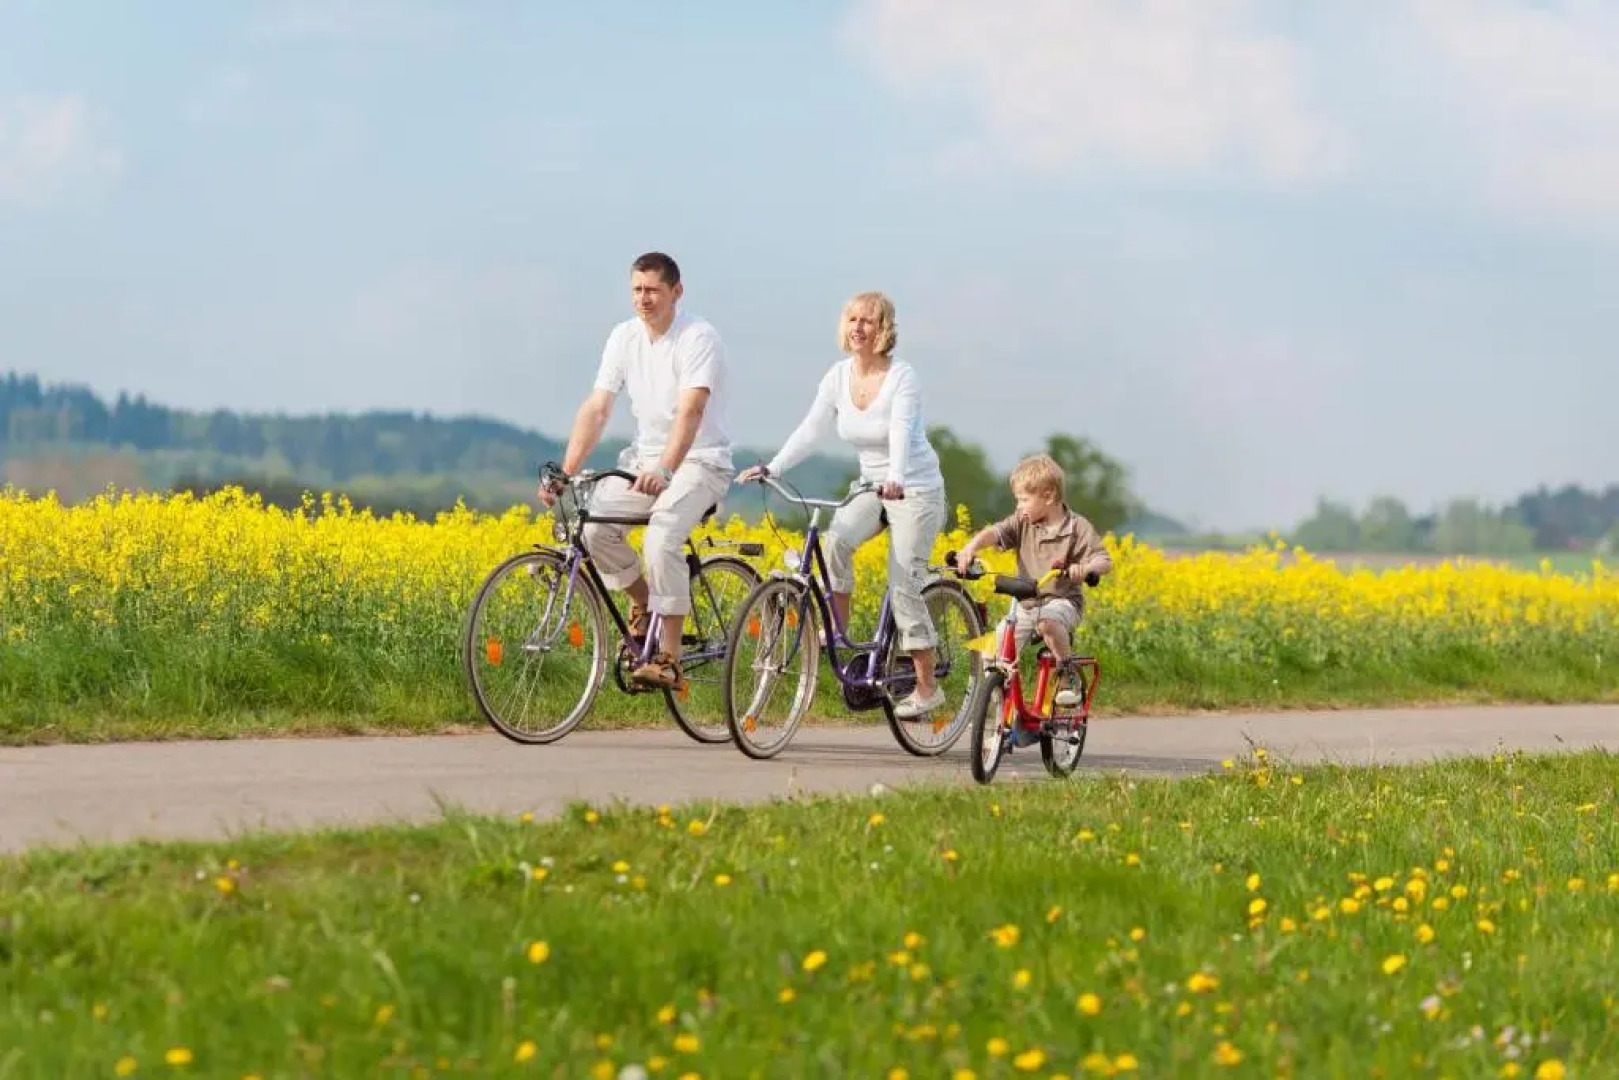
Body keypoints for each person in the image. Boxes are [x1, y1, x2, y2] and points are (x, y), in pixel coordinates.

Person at [736, 290, 949, 720]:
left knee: (903, 583)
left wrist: (896, 477)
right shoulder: (838, 376)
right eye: (852, 319)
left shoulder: (902, 377)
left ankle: (927, 687)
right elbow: (812, 429)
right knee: (834, 542)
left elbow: (900, 432)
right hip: (871, 485)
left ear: (884, 329)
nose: (858, 327)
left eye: (868, 320)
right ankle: (838, 633)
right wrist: (773, 467)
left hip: (914, 488)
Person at [538, 252, 734, 690]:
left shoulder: (697, 337)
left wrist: (666, 468)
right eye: (637, 290)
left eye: (653, 290)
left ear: (676, 292)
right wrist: (566, 472)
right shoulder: (624, 337)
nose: (643, 299)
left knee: (661, 537)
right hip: (644, 460)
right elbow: (598, 408)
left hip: (700, 460)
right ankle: (645, 605)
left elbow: (691, 410)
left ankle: (670, 658)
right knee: (594, 530)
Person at [951, 453, 1112, 706]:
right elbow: (995, 532)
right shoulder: (1022, 523)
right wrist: (970, 548)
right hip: (1025, 605)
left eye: (1024, 500)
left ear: (1048, 496)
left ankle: (1067, 676)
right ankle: (1000, 710)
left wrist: (1086, 568)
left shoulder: (1077, 527)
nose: (1019, 506)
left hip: (1062, 602)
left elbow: (1104, 560)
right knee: (992, 651)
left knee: (1048, 623)